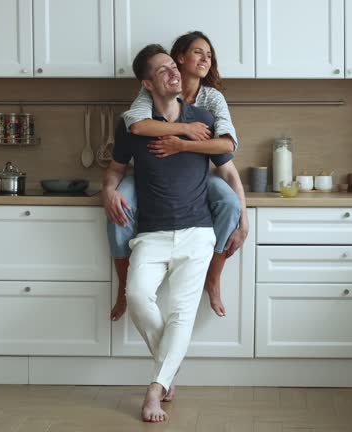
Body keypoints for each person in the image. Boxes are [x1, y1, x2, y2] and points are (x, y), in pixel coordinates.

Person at [102, 44, 246, 423]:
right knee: (136, 296)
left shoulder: (203, 117)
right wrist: (108, 189)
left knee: (182, 312)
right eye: (162, 69)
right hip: (150, 234)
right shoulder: (133, 124)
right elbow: (116, 168)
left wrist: (243, 213)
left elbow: (229, 171)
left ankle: (154, 390)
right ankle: (169, 368)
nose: (173, 72)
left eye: (173, 66)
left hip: (198, 233)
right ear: (147, 83)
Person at [109, 31, 247, 320]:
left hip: (200, 175)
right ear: (179, 59)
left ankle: (213, 277)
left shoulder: (211, 100)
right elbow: (136, 126)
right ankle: (126, 287)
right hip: (148, 174)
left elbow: (227, 146)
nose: (205, 59)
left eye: (209, 55)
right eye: (198, 52)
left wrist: (184, 145)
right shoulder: (151, 91)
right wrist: (182, 129)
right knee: (119, 206)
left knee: (230, 205)